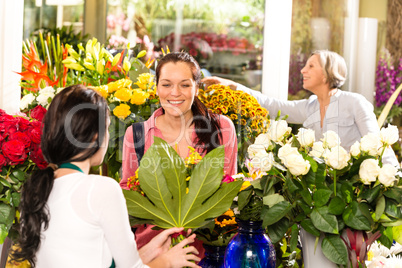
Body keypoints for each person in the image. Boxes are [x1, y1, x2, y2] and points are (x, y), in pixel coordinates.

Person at [10, 85, 200, 268]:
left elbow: (87, 258)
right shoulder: (100, 188)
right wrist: (169, 261)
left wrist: (150, 251)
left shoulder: (36, 189)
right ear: (95, 136)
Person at [120, 52, 238, 254]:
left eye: (184, 85)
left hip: (205, 251)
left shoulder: (222, 129)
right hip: (152, 252)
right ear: (156, 87)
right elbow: (128, 196)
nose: (175, 93)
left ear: (197, 88)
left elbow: (229, 189)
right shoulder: (137, 134)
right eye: (166, 84)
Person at [202, 50, 399, 166]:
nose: (303, 70)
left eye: (311, 66)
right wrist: (231, 85)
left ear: (328, 73)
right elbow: (271, 105)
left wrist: (389, 189)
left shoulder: (355, 102)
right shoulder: (310, 106)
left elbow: (379, 147)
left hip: (357, 194)